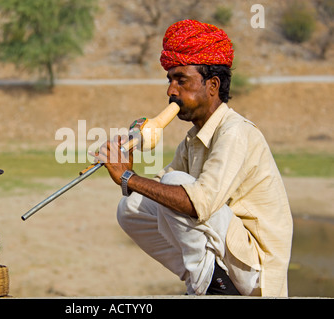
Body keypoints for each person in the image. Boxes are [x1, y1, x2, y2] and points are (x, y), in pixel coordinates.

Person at [92, 20, 293, 296]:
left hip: (256, 268)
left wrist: (128, 176)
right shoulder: (193, 138)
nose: (171, 91)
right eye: (170, 80)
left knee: (175, 185)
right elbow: (160, 192)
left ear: (212, 85)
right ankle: (208, 280)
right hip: (228, 256)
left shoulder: (235, 132)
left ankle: (205, 285)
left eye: (181, 80)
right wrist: (128, 154)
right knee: (131, 206)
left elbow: (199, 203)